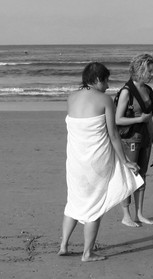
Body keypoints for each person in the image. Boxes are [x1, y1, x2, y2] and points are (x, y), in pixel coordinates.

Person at [60, 62, 144, 262]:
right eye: (106, 80)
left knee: (74, 202)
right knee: (95, 204)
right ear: (97, 79)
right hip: (96, 161)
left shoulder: (71, 98)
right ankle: (87, 253)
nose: (107, 85)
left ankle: (63, 245)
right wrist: (125, 161)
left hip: (74, 160)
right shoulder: (104, 100)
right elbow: (114, 135)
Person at [115, 53, 153, 227]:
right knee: (129, 176)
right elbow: (117, 119)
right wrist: (138, 120)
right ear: (139, 70)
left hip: (145, 139)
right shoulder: (126, 92)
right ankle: (126, 215)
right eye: (149, 71)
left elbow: (149, 119)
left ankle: (140, 214)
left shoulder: (149, 91)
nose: (152, 74)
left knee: (142, 176)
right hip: (129, 139)